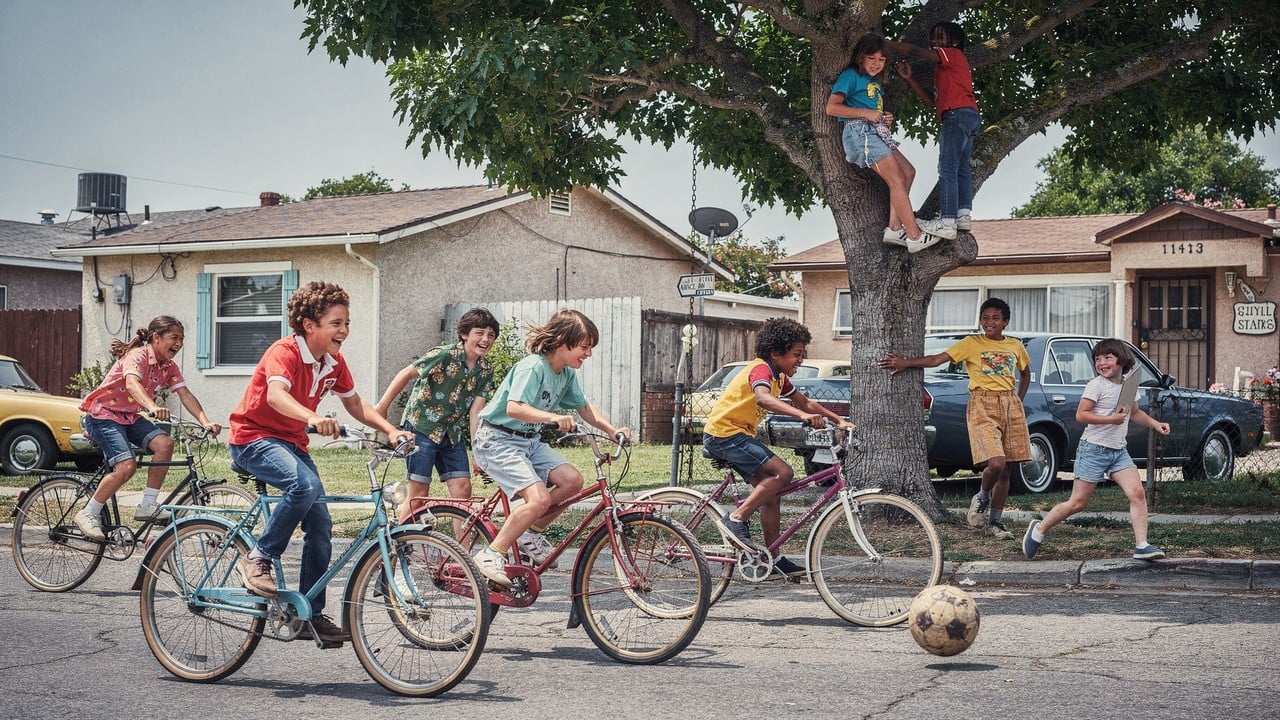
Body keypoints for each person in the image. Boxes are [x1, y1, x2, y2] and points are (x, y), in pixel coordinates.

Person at [229, 281, 413, 646]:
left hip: (291, 444)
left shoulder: (333, 362)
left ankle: (307, 615)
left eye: (346, 323)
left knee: (321, 524)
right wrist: (312, 418)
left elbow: (355, 403)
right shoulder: (285, 352)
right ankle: (258, 557)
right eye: (336, 323)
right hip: (253, 438)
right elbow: (277, 396)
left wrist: (392, 430)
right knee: (305, 486)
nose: (344, 330)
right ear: (309, 325)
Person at [469, 308, 630, 587]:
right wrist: (553, 417)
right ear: (562, 342)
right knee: (539, 499)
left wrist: (611, 430)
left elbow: (584, 407)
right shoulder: (534, 367)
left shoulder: (565, 373)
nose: (588, 354)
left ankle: (529, 532)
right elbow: (514, 407)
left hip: (528, 441)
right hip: (497, 440)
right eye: (584, 347)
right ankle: (491, 553)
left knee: (572, 481)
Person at [702, 317, 856, 578]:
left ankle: (772, 559)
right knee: (783, 474)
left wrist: (839, 419)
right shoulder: (761, 369)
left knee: (770, 495)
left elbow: (804, 402)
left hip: (737, 435)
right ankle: (735, 519)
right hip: (724, 435)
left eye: (802, 354)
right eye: (796, 354)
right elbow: (763, 397)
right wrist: (801, 417)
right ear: (776, 353)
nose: (801, 360)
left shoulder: (779, 376)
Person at [878, 298, 1029, 540]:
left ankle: (996, 522)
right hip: (982, 404)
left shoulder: (1015, 346)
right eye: (985, 318)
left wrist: (1018, 399)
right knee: (997, 462)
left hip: (1010, 405)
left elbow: (1025, 372)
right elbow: (937, 359)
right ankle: (981, 496)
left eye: (995, 318)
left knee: (1007, 470)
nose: (989, 322)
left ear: (1005, 322)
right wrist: (906, 363)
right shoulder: (971, 343)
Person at [74, 316, 221, 541]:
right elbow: (133, 384)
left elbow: (185, 394)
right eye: (174, 337)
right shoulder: (137, 356)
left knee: (165, 444)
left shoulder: (169, 367)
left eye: (182, 339)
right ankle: (88, 513)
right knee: (127, 465)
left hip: (129, 417)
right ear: (156, 337)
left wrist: (205, 421)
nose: (179, 343)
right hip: (103, 416)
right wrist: (152, 406)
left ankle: (147, 505)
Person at [1024, 339, 1171, 561]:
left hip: (1118, 452)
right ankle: (1039, 529)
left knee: (1137, 494)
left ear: (1122, 360)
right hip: (1093, 450)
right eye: (1097, 359)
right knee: (1078, 503)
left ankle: (1142, 545)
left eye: (1107, 358)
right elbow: (1081, 415)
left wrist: (1155, 424)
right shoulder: (1096, 385)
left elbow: (1134, 412)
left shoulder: (1128, 386)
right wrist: (1110, 419)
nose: (1101, 362)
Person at [375, 307, 500, 521]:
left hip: (451, 433)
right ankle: (400, 545)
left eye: (490, 335)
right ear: (464, 334)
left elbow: (476, 411)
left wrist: (478, 451)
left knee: (463, 489)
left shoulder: (485, 370)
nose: (485, 339)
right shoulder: (444, 355)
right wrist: (382, 407)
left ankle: (461, 550)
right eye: (479, 333)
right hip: (421, 428)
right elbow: (407, 372)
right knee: (419, 494)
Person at [825, 33, 941, 254]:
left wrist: (883, 116)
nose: (876, 64)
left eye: (881, 60)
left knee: (908, 172)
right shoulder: (851, 76)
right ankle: (915, 235)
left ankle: (895, 229)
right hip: (859, 132)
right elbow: (831, 108)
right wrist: (866, 113)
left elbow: (872, 111)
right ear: (860, 57)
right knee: (896, 179)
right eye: (871, 58)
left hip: (875, 131)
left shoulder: (876, 82)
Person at [888, 22, 981, 241]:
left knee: (947, 168)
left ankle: (947, 222)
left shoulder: (953, 55)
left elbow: (915, 52)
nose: (934, 42)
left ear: (955, 42)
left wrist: (887, 43)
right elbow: (932, 101)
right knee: (960, 168)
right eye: (933, 37)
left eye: (940, 37)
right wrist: (909, 78)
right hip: (968, 116)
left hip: (956, 115)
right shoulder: (945, 70)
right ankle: (962, 216)